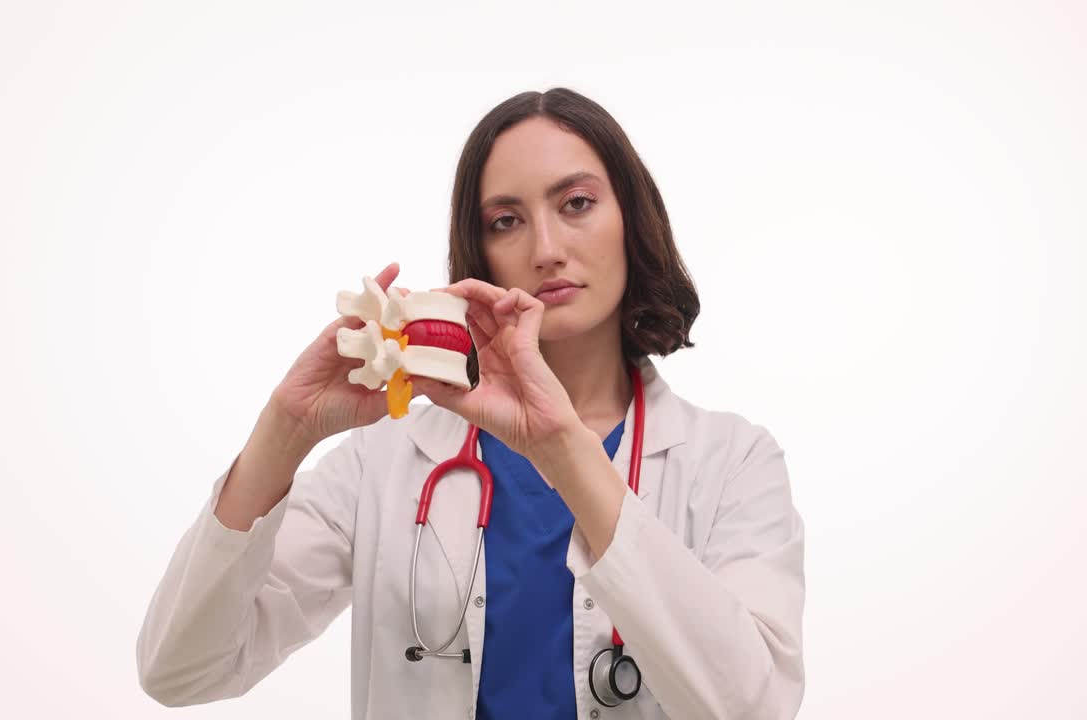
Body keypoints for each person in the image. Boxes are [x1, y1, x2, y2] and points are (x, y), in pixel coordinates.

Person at [136, 87, 805, 720]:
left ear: (632, 218)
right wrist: (284, 430)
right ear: (480, 252)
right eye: (506, 221)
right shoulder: (385, 464)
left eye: (576, 204)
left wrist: (562, 449)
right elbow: (180, 669)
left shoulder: (732, 462)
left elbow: (752, 706)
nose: (546, 249)